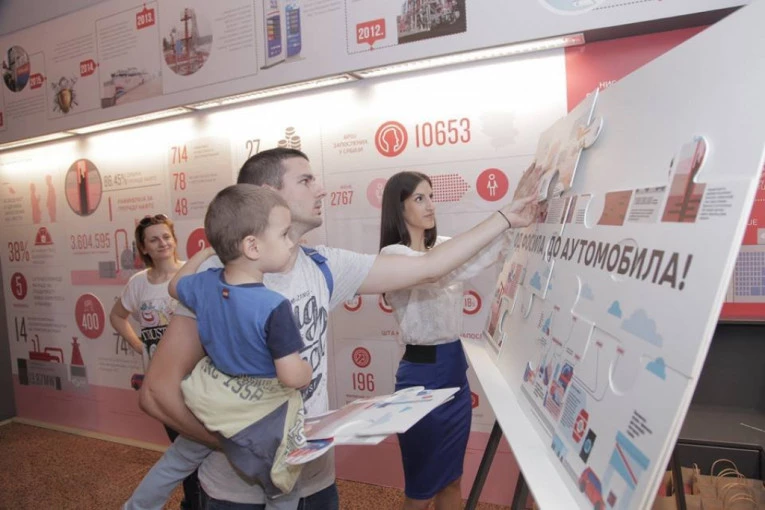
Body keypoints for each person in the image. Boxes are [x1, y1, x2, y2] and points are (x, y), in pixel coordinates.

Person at [139, 148, 535, 509]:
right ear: (267, 194)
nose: (322, 189)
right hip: (237, 496)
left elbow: (430, 267)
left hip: (316, 483)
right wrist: (241, 444)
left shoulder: (325, 265)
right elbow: (156, 393)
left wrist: (505, 218)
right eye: (306, 180)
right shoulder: (215, 279)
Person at [125, 185, 311, 510]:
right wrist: (306, 370)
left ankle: (136, 507)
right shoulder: (274, 306)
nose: (291, 242)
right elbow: (292, 376)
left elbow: (174, 286)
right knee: (284, 485)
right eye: (284, 234)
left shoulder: (206, 284)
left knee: (177, 460)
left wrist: (207, 252)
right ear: (252, 246)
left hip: (211, 401)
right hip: (256, 413)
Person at [379, 171, 524, 510]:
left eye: (431, 196)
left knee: (452, 479)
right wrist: (502, 220)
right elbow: (442, 270)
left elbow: (486, 254)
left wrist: (519, 215)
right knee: (421, 489)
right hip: (420, 378)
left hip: (455, 374)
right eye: (419, 198)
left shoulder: (443, 246)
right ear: (398, 207)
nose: (430, 205)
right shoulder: (392, 255)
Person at [109, 214, 200, 510]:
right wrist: (139, 346)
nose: (162, 243)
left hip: (197, 379)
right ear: (144, 247)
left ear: (174, 239)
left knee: (196, 451)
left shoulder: (191, 273)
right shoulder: (138, 284)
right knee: (183, 449)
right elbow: (117, 316)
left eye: (166, 236)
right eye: (154, 239)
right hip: (162, 385)